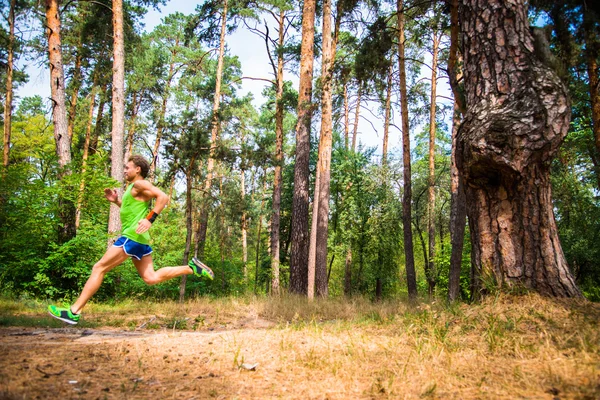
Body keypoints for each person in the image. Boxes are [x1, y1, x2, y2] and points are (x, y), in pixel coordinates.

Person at [48, 155, 213, 325]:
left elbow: (163, 197)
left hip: (131, 237)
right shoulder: (132, 190)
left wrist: (150, 219)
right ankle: (191, 268)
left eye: (127, 168)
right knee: (151, 278)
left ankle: (74, 311)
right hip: (140, 240)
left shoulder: (139, 184)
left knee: (99, 268)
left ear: (137, 169)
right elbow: (132, 211)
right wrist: (117, 201)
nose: (124, 170)